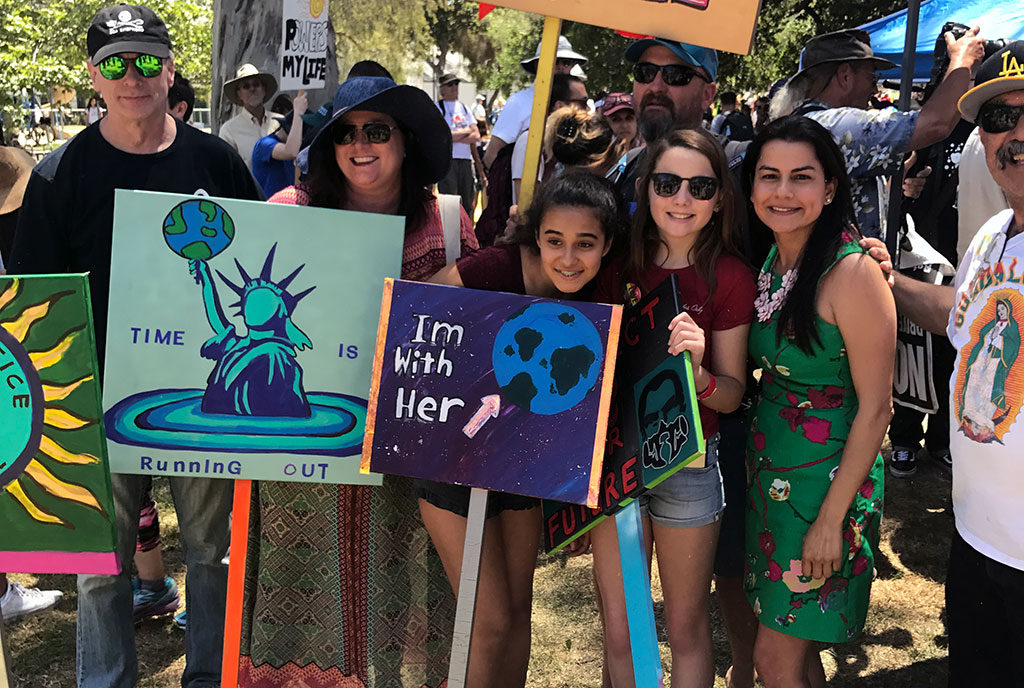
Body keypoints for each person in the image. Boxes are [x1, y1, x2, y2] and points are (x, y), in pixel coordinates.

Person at [9, 5, 262, 686]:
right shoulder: (59, 175)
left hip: (202, 399)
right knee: (101, 566)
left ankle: (210, 676)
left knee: (211, 553)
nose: (132, 76)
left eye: (147, 60)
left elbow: (260, 260)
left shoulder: (216, 161)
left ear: (170, 70)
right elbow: (35, 304)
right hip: (97, 399)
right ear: (93, 76)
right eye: (115, 64)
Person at [236, 74, 478, 688]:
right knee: (306, 592)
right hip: (306, 463)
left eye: (376, 131)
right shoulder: (287, 214)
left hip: (411, 458)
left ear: (405, 141)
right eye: (344, 133)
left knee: (405, 587)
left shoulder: (447, 224)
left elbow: (474, 335)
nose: (360, 145)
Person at [421, 171, 625, 688]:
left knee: (515, 616)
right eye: (554, 241)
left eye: (585, 244)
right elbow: (418, 311)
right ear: (536, 236)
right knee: (487, 621)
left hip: (523, 468)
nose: (568, 258)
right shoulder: (496, 267)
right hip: (452, 464)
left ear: (606, 245)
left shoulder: (603, 291)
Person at [589, 127, 754, 687]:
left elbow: (732, 394)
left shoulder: (731, 276)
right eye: (667, 183)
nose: (682, 199)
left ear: (720, 199)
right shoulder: (616, 265)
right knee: (622, 631)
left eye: (700, 187)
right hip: (617, 463)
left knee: (684, 629)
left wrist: (700, 375)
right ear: (645, 188)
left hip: (690, 466)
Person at [884, 41, 1024, 687]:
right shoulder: (994, 235)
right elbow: (960, 314)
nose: (1016, 135)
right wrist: (887, 281)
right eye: (999, 118)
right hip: (976, 535)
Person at [740, 115, 895, 687]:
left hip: (827, 487)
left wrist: (832, 520)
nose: (783, 192)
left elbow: (878, 408)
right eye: (769, 176)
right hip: (773, 479)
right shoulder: (772, 257)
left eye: (801, 177)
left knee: (773, 660)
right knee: (795, 653)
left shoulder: (852, 273)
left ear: (829, 188)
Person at [771, 27, 986, 238]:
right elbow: (936, 123)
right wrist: (962, 60)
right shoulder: (839, 126)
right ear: (845, 76)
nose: (875, 90)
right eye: (872, 78)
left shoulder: (806, 122)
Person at [606, 37, 720, 204]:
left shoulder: (741, 170)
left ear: (707, 94)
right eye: (645, 72)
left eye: (676, 75)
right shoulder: (620, 173)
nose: (656, 87)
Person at [483, 35, 587, 169]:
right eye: (555, 61)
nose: (561, 67)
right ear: (538, 65)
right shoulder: (519, 102)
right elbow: (491, 156)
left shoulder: (575, 103)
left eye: (566, 62)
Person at [510, 73, 587, 203]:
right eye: (583, 103)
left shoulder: (569, 141)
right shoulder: (531, 141)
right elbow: (525, 204)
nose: (587, 109)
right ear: (560, 106)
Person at [219, 63, 278, 171]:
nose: (252, 89)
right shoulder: (228, 130)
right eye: (246, 86)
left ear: (264, 89)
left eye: (256, 84)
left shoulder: (280, 122)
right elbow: (227, 169)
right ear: (239, 94)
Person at [251, 90, 309, 198]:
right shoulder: (264, 144)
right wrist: (298, 113)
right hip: (266, 206)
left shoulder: (299, 157)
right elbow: (291, 152)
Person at [437, 73, 481, 214]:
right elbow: (441, 136)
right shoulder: (438, 108)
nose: (454, 87)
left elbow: (476, 135)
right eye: (450, 84)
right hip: (448, 161)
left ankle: (467, 228)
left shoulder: (464, 108)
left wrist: (454, 136)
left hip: (466, 161)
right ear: (442, 89)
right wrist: (466, 132)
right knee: (450, 204)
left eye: (456, 84)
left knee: (467, 202)